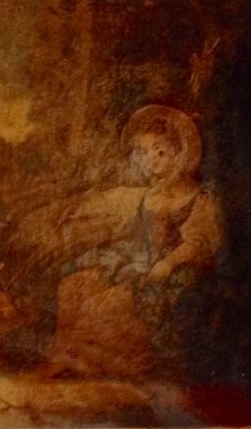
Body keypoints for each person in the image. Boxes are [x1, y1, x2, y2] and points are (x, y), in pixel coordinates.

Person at [41, 104, 222, 379]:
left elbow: (197, 242)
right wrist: (79, 210)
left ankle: (94, 358)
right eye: (145, 152)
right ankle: (65, 354)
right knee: (72, 286)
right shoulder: (145, 196)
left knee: (97, 307)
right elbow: (110, 202)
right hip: (137, 266)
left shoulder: (198, 199)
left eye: (159, 151)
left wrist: (169, 262)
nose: (151, 160)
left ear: (180, 154)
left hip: (170, 276)